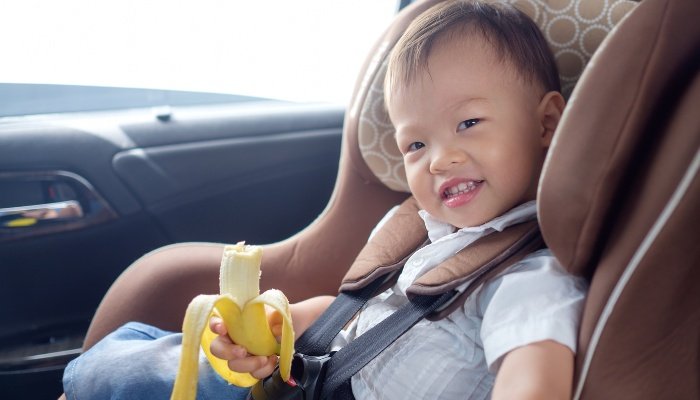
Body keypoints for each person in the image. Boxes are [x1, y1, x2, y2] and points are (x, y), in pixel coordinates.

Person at [61, 1, 586, 399]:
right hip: (302, 376)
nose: (439, 159)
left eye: (468, 124)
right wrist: (278, 328)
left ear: (545, 123)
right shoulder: (420, 231)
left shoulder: (529, 278)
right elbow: (350, 318)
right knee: (126, 361)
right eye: (415, 144)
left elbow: (532, 378)